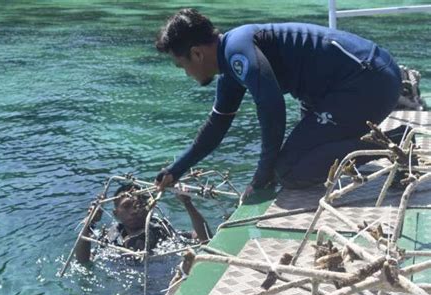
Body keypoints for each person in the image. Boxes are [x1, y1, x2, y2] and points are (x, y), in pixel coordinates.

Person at [154, 9, 405, 195]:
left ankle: (396, 143)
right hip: (355, 83)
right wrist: (176, 170)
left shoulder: (237, 51)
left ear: (197, 53)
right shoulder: (230, 65)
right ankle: (390, 143)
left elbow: (272, 108)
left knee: (289, 171)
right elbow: (216, 127)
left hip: (369, 81)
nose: (186, 73)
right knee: (295, 161)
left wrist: (262, 175)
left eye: (181, 65)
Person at [75, 184, 211, 263]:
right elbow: (83, 260)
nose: (134, 211)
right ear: (116, 214)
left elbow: (205, 239)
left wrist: (188, 203)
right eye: (127, 206)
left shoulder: (162, 230)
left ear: (149, 207)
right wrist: (90, 222)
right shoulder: (110, 241)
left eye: (138, 205)